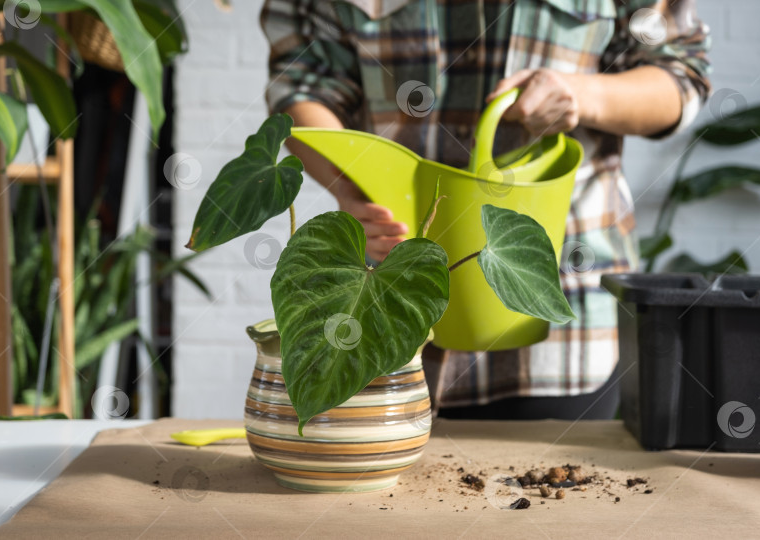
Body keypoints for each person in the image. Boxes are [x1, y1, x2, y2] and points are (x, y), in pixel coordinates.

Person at [260, 0, 711, 420]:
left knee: (556, 497)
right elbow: (301, 84)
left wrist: (579, 94)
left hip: (560, 317)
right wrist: (350, 189)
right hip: (392, 302)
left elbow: (680, 74)